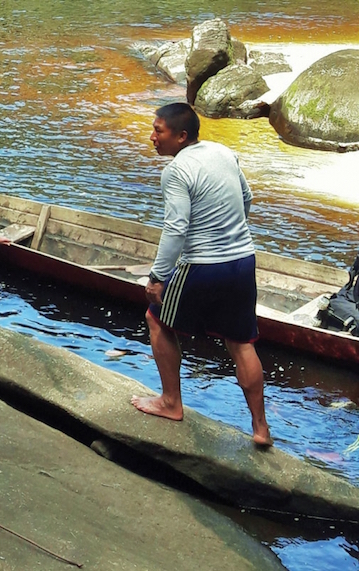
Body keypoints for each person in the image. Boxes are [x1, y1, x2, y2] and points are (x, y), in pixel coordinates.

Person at [132, 102, 272, 447]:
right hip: (243, 260)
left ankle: (170, 402)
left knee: (156, 319)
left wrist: (157, 277)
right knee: (241, 344)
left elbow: (176, 228)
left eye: (158, 131)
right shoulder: (223, 152)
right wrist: (231, 232)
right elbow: (246, 197)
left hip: (204, 264)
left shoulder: (176, 171)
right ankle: (261, 429)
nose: (152, 137)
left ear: (181, 136)